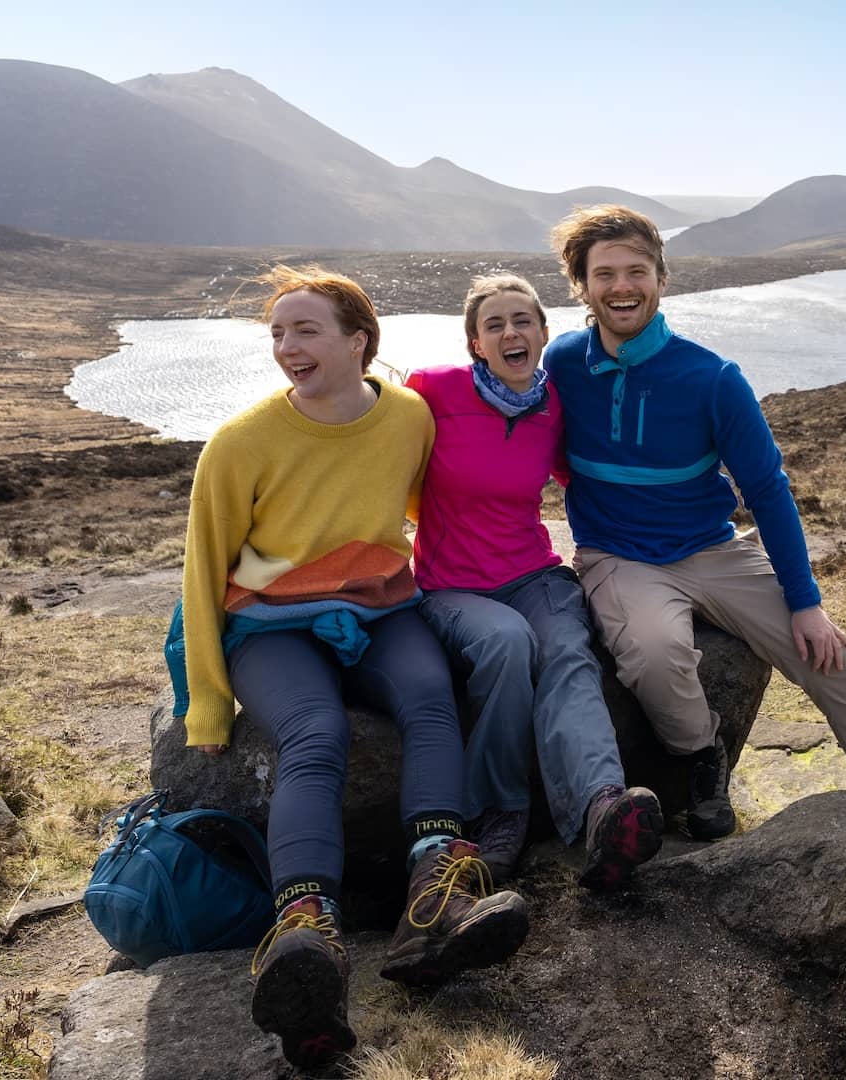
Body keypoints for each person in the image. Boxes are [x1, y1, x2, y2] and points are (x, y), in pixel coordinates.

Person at [173, 266, 526, 1070]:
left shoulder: (406, 416)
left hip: (382, 608)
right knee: (316, 732)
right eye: (278, 333)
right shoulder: (241, 443)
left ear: (359, 341)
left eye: (306, 331)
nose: (287, 348)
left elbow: (420, 501)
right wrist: (205, 702)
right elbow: (203, 570)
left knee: (432, 698)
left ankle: (436, 896)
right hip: (270, 626)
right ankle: (306, 929)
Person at [542, 206, 846, 841]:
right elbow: (522, 437)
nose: (621, 287)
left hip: (714, 550)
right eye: (603, 273)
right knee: (659, 655)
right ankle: (702, 756)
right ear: (580, 285)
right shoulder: (561, 364)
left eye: (636, 270)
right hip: (619, 557)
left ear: (661, 277)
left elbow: (768, 491)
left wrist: (805, 602)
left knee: (827, 654)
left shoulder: (713, 378)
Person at [406, 272, 663, 892]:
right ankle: (500, 814)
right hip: (451, 588)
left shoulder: (552, 406)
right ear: (475, 343)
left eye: (523, 320)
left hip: (531, 574)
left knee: (567, 652)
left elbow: (583, 477)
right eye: (494, 324)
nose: (510, 332)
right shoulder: (433, 391)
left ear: (544, 333)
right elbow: (380, 459)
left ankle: (603, 808)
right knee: (506, 644)